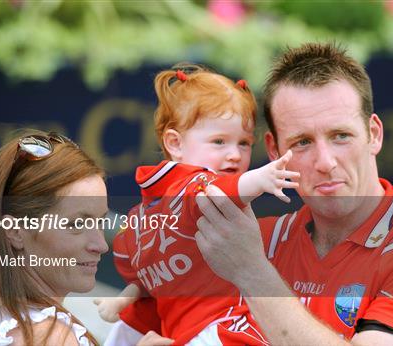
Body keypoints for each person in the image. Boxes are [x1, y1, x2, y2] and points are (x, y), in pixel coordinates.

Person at [108, 43, 393, 346]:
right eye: (302, 143)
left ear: (374, 134)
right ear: (272, 150)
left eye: (340, 136)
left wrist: (252, 272)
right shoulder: (254, 238)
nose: (325, 162)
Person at [97, 64, 299, 345]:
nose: (234, 154)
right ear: (175, 144)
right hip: (216, 327)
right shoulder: (191, 188)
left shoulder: (146, 212)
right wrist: (262, 177)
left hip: (213, 327)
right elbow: (216, 191)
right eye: (219, 141)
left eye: (244, 143)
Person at [0, 130, 109, 345]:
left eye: (100, 222)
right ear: (14, 231)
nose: (102, 245)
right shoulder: (50, 337)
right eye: (77, 224)